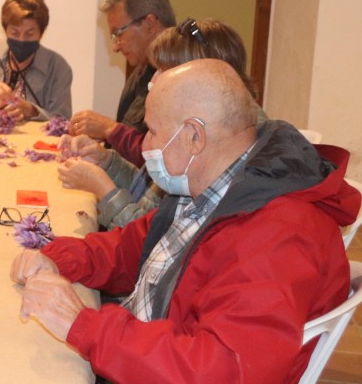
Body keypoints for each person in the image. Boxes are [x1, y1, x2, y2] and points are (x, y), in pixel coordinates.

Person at [12, 59, 359, 384]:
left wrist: (85, 325)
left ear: (194, 135)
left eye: (153, 131)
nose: (143, 146)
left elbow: (223, 381)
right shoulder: (223, 178)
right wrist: (63, 257)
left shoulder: (277, 235)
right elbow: (138, 246)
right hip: (151, 380)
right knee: (14, 369)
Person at [58, 18, 263, 229]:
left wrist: (105, 190)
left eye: (163, 71)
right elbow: (149, 198)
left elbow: (149, 241)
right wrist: (106, 163)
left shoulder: (210, 156)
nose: (154, 81)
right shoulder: (204, 132)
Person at [69, 0, 175, 165]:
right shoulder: (139, 72)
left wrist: (109, 128)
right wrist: (101, 137)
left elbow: (162, 159)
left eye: (118, 33)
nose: (115, 47)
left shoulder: (179, 77)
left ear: (150, 24)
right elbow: (133, 143)